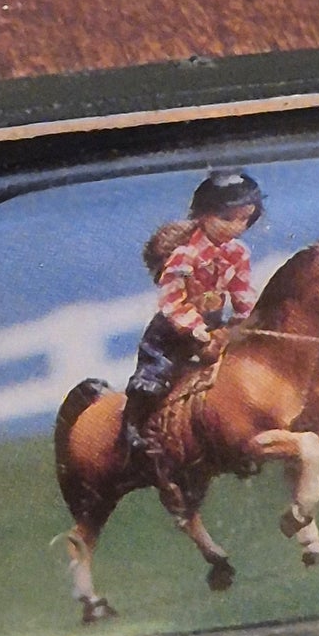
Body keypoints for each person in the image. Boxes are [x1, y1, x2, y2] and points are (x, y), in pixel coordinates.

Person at [122, 170, 265, 461]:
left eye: (245, 219)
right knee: (154, 378)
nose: (237, 227)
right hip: (174, 329)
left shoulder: (238, 253)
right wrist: (195, 328)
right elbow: (172, 300)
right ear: (202, 215)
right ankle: (131, 429)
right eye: (227, 218)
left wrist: (249, 318)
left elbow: (241, 292)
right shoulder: (185, 256)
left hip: (213, 325)